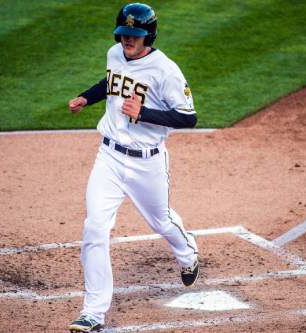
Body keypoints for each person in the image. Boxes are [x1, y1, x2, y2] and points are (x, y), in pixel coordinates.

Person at [67, 3, 199, 332]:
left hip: (147, 163)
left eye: (134, 35)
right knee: (95, 227)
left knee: (163, 221)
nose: (128, 39)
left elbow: (189, 117)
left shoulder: (165, 70)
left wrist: (145, 114)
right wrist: (87, 97)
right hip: (109, 158)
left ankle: (188, 253)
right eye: (124, 33)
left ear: (148, 36)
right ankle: (93, 313)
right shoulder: (115, 53)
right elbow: (112, 82)